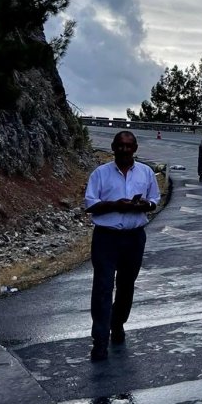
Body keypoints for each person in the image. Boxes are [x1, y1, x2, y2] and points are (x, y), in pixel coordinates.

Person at [84, 131, 159, 362]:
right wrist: (116, 205)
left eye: (128, 146)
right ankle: (99, 341)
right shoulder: (100, 173)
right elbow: (91, 205)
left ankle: (117, 324)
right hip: (106, 238)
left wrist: (143, 204)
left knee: (126, 286)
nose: (124, 149)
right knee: (103, 287)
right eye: (120, 145)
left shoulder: (146, 172)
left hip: (134, 238)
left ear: (135, 148)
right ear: (113, 147)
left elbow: (154, 201)